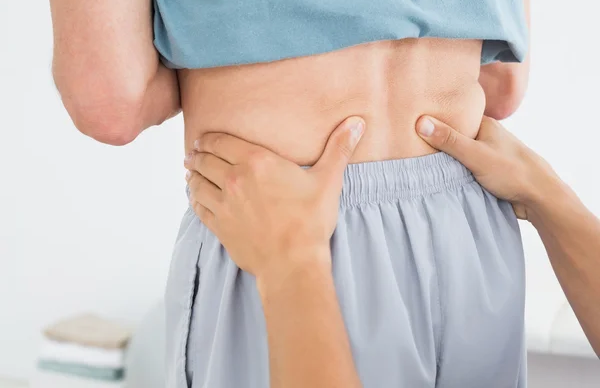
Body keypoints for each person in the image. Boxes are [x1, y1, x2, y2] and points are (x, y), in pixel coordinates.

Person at [48, 0, 531, 386]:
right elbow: (505, 84)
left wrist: (226, 71)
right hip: (469, 222)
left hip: (278, 219)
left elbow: (109, 101)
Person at [184, 114, 600, 387]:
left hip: (287, 219)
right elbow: (506, 82)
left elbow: (122, 105)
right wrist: (549, 198)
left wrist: (291, 263)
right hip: (468, 218)